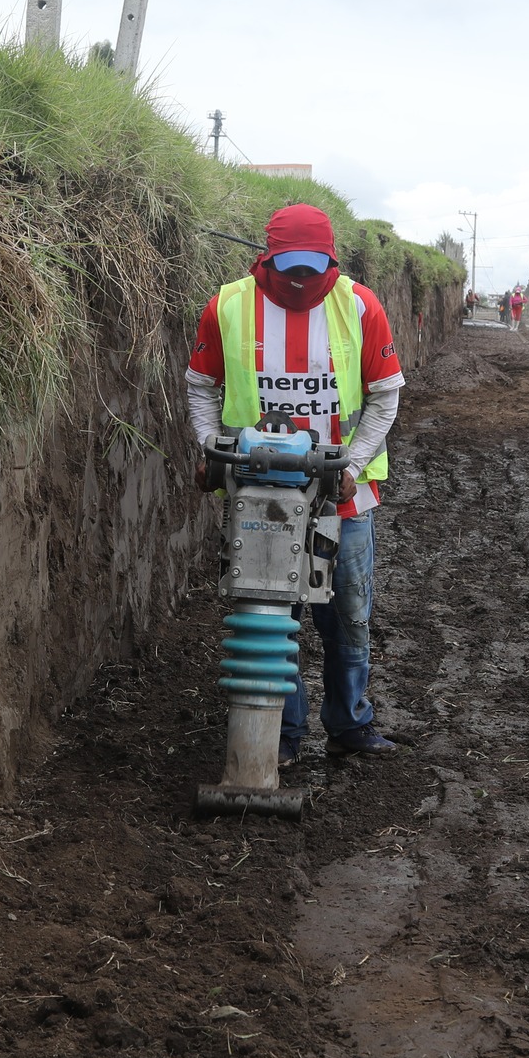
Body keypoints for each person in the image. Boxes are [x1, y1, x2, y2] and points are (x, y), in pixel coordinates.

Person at [185, 204, 405, 763]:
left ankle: (349, 723)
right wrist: (211, 448)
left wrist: (352, 466)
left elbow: (385, 395)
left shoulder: (359, 305)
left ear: (331, 261)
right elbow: (200, 384)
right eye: (291, 269)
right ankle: (280, 734)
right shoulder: (229, 306)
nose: (302, 279)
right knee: (269, 613)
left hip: (341, 498)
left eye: (313, 268)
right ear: (268, 259)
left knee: (348, 617)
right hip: (260, 496)